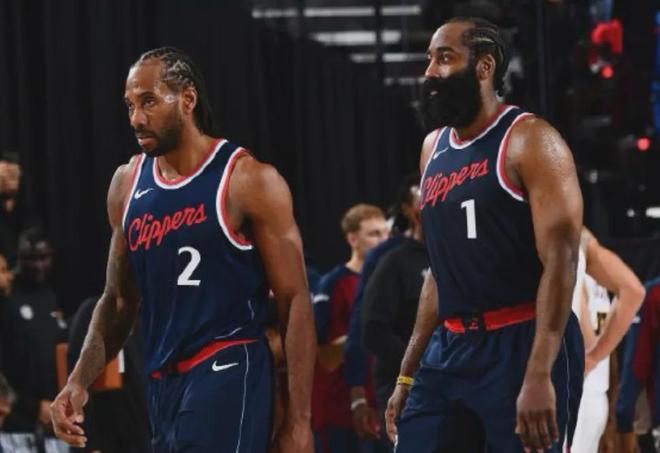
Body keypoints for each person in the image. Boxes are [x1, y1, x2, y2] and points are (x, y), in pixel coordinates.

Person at [50, 47, 316, 453]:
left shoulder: (246, 180)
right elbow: (119, 301)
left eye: (149, 102)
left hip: (229, 366)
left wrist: (298, 422)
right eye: (130, 105)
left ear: (187, 99)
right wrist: (78, 381)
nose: (136, 118)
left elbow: (295, 300)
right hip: (163, 384)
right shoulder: (127, 184)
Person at [385, 17, 585, 452]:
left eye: (444, 58)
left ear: (484, 66)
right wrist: (407, 373)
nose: (430, 72)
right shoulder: (432, 148)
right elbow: (439, 273)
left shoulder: (531, 140)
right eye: (429, 59)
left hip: (521, 339)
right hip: (450, 348)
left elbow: (561, 260)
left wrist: (539, 372)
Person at [312, 204, 387, 452]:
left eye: (386, 233)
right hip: (340, 408)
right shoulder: (332, 284)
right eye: (374, 234)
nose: (383, 240)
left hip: (383, 401)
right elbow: (324, 356)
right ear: (352, 239)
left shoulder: (390, 279)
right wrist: (367, 333)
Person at [569, 227, 644, 452]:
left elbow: (583, 341)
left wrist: (591, 356)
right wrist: (597, 356)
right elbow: (633, 290)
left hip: (573, 395)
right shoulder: (586, 243)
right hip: (596, 395)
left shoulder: (567, 255)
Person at [361, 182, 428, 429]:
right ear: (411, 213)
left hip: (454, 376)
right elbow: (372, 329)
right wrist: (415, 364)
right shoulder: (392, 260)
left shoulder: (455, 255)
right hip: (405, 382)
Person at [3, 229, 67, 435]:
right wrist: (33, 407)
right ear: (18, 258)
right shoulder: (7, 298)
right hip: (16, 424)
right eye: (30, 258)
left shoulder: (51, 296)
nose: (38, 265)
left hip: (53, 420)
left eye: (43, 257)